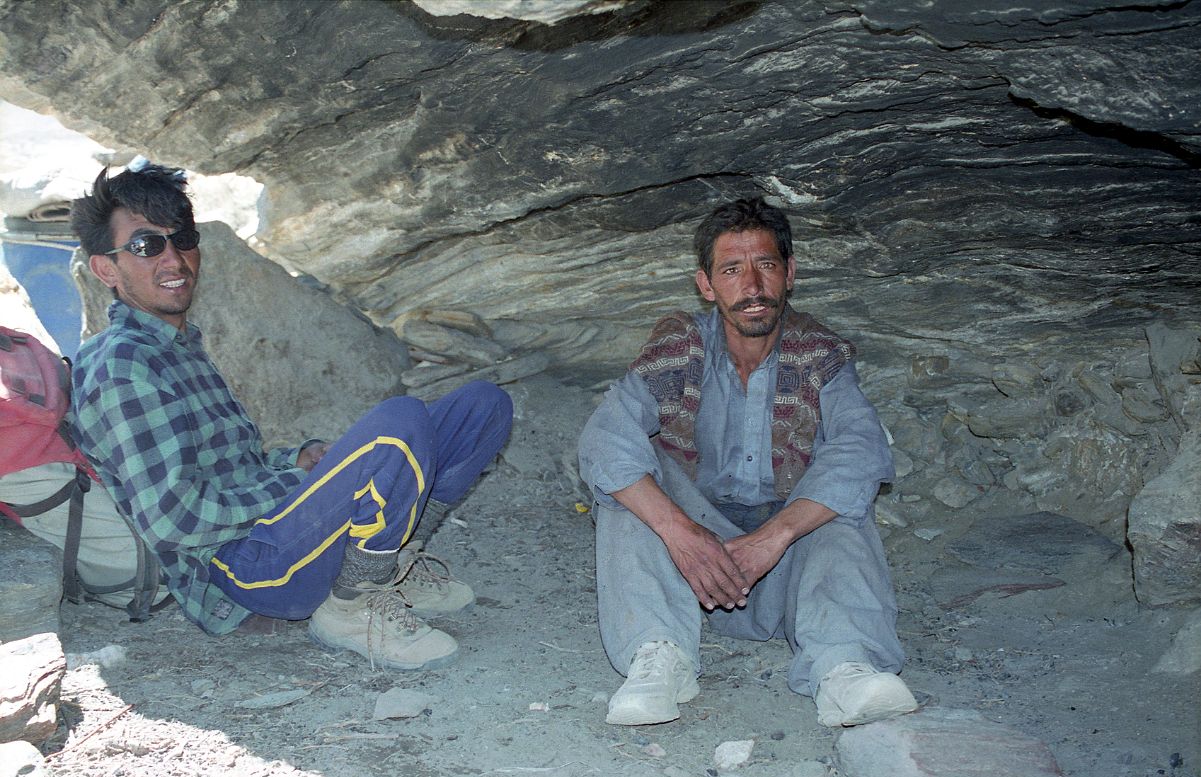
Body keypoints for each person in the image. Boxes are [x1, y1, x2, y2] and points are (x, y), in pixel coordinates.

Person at [69, 162, 512, 670]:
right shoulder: (123, 364)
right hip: (242, 570)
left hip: (269, 529)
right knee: (401, 421)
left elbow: (230, 464)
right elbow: (176, 519)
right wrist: (299, 482)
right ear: (106, 268)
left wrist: (295, 459)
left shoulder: (176, 344)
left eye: (183, 238)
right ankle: (351, 607)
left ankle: (392, 563)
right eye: (146, 245)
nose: (173, 258)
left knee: (480, 406)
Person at [578, 196, 917, 727]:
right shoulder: (678, 348)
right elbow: (604, 441)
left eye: (766, 266)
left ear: (790, 275)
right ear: (706, 285)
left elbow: (862, 449)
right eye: (732, 270)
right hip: (685, 564)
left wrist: (774, 536)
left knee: (839, 497)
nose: (753, 287)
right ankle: (659, 655)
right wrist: (681, 533)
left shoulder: (819, 353)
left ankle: (844, 666)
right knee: (630, 481)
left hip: (782, 563)